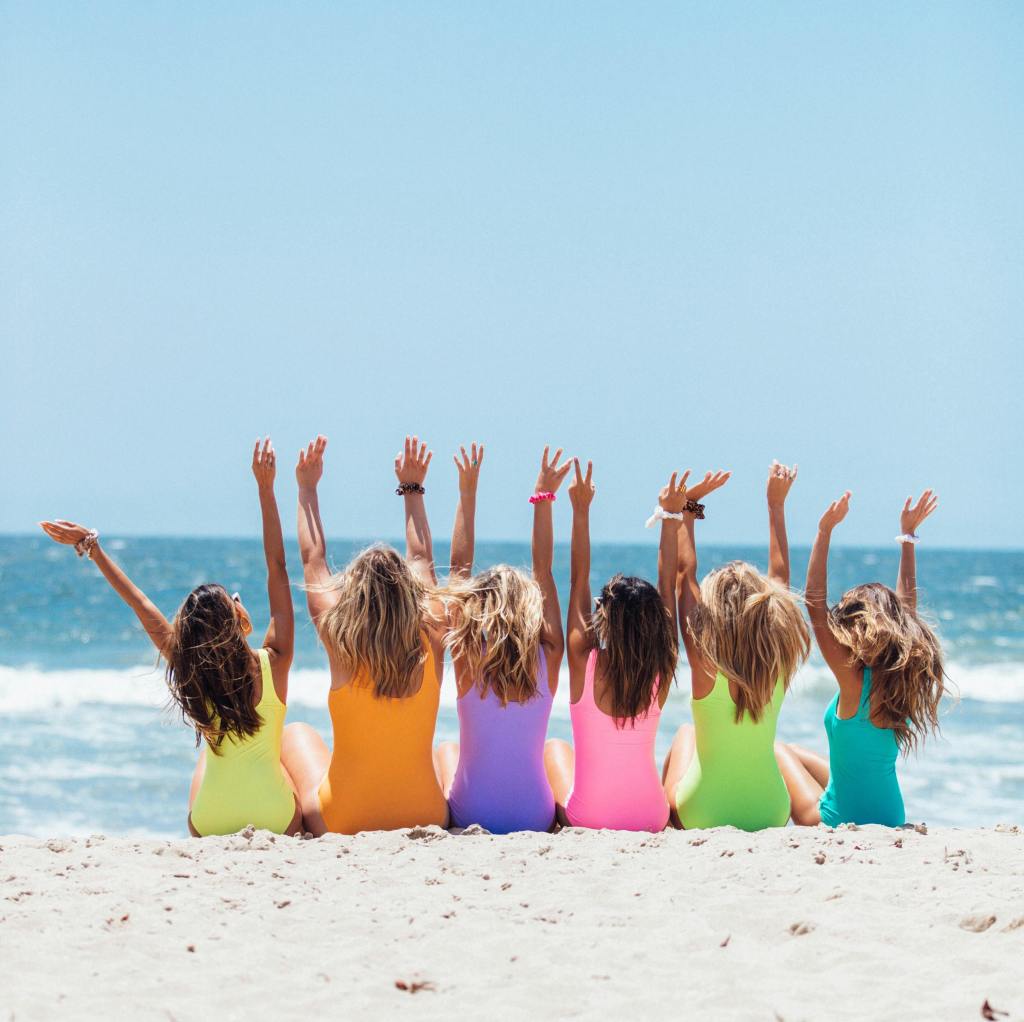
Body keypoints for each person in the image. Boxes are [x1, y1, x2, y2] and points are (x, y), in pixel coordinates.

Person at [40, 439, 301, 837]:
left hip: (208, 822)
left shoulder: (190, 668)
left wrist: (91, 546)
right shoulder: (276, 659)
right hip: (276, 820)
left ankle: (224, 803)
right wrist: (266, 490)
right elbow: (277, 566)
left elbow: (139, 603)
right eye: (233, 602)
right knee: (285, 752)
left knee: (206, 761)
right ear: (236, 623)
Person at [280, 435, 449, 835]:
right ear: (411, 593)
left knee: (296, 734)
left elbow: (312, 559)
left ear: (352, 595)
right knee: (446, 754)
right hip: (426, 813)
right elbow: (422, 557)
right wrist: (412, 488)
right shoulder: (434, 631)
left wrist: (306, 489)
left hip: (343, 818)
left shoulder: (339, 641)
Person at [777, 489, 945, 827]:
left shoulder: (853, 680)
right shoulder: (902, 677)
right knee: (796, 751)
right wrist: (907, 538)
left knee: (778, 750)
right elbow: (907, 609)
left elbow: (814, 602)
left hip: (838, 818)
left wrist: (824, 532)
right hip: (892, 815)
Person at [542, 459, 691, 832]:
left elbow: (578, 579)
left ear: (606, 616)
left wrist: (580, 511)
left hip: (589, 818)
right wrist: (671, 517)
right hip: (651, 818)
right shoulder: (663, 663)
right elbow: (667, 586)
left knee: (555, 749)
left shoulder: (584, 660)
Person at [663, 462, 809, 831]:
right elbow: (781, 579)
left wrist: (690, 508)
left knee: (685, 734)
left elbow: (684, 577)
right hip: (771, 810)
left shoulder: (704, 661)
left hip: (703, 812)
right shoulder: (778, 662)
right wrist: (776, 506)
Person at [434, 445, 571, 833]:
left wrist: (467, 493)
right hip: (536, 815)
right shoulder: (549, 656)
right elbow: (544, 570)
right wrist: (543, 496)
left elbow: (458, 571)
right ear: (531, 608)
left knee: (446, 751)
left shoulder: (466, 659)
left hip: (471, 812)